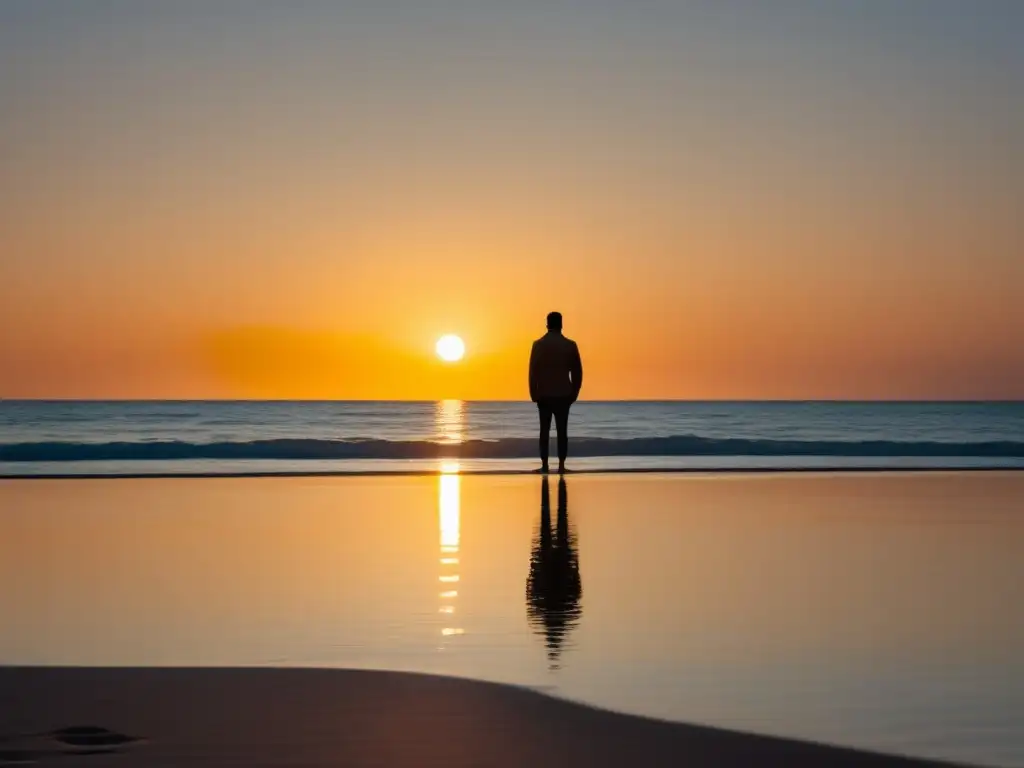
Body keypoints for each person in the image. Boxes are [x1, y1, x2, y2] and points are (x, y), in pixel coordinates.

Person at [528, 311, 583, 474]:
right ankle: (561, 465)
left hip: (544, 394)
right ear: (561, 324)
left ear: (547, 324)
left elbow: (533, 371)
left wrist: (533, 392)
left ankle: (544, 464)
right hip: (563, 393)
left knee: (544, 431)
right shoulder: (570, 345)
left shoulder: (538, 344)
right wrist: (575, 392)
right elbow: (577, 372)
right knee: (562, 431)